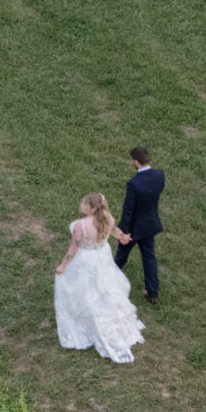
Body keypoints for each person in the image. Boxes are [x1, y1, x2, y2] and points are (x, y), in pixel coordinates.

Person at [56, 191, 145, 362]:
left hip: (86, 260)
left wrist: (63, 265)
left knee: (86, 289)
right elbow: (115, 231)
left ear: (92, 208)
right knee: (104, 286)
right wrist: (123, 237)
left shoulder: (80, 226)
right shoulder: (107, 218)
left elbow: (73, 248)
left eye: (83, 203)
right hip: (103, 256)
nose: (80, 204)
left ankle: (90, 321)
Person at [114, 146, 164, 302]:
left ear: (135, 161)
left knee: (120, 257)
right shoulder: (160, 176)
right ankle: (152, 292)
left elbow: (128, 210)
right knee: (149, 257)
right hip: (149, 225)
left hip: (133, 229)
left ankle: (105, 283)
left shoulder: (134, 184)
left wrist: (123, 232)